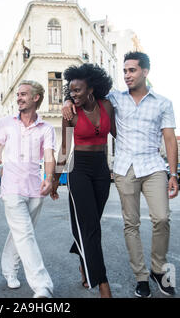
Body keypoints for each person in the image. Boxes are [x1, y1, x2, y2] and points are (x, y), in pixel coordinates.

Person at [62, 52, 179, 298]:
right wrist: (65, 101)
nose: (126, 75)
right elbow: (78, 94)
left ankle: (157, 268)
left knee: (161, 218)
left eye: (132, 70)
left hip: (137, 167)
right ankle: (124, 279)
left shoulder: (153, 103)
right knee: (112, 225)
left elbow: (168, 138)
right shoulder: (110, 99)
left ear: (145, 71)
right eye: (124, 71)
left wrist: (173, 173)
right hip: (107, 167)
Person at [0, 80, 56, 298]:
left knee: (22, 232)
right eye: (18, 94)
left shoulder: (47, 128)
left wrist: (50, 177)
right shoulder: (7, 123)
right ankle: (42, 285)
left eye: (24, 94)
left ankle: (9, 269)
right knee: (24, 233)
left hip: (36, 188)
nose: (19, 98)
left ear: (36, 97)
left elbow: (50, 156)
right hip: (12, 187)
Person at [51, 64, 115, 298]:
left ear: (91, 88)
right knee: (91, 228)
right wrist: (56, 179)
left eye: (78, 90)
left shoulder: (107, 106)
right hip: (79, 170)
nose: (73, 95)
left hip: (101, 170)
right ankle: (103, 283)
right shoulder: (70, 114)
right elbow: (65, 148)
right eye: (71, 91)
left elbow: (117, 134)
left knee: (91, 222)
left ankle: (82, 257)